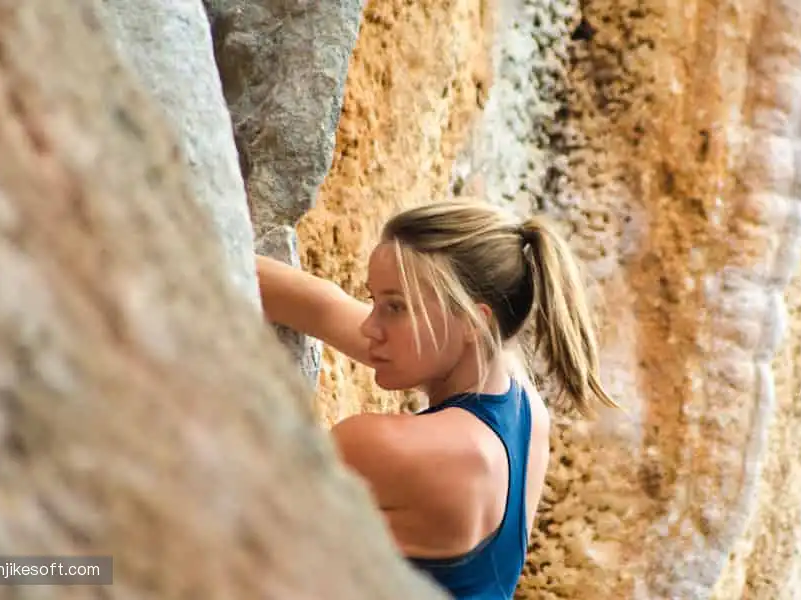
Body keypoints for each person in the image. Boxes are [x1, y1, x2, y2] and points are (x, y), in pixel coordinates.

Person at [254, 199, 618, 599]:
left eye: (395, 307)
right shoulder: (525, 409)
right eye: (374, 301)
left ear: (475, 322)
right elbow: (327, 308)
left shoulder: (393, 449)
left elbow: (236, 513)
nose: (371, 327)